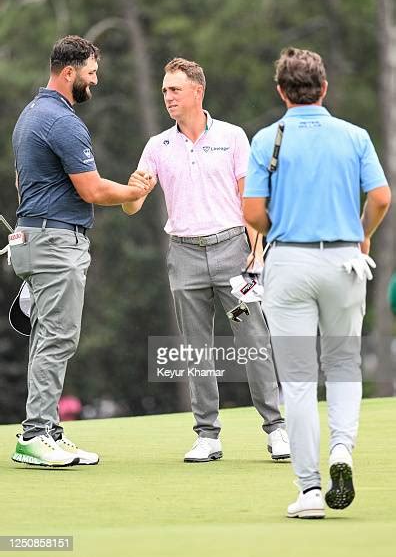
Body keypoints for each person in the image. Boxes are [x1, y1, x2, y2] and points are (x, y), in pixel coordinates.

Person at [243, 47, 391, 518]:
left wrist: (283, 226)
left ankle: (309, 491)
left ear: (281, 92)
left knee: (299, 379)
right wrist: (361, 235)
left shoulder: (268, 138)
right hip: (346, 261)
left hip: (288, 263)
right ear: (323, 88)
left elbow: (251, 213)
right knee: (345, 363)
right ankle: (342, 450)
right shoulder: (354, 135)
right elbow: (382, 197)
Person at [122, 57, 290, 463]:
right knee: (196, 348)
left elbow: (249, 198)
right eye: (164, 90)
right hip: (184, 254)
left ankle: (276, 429)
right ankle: (207, 436)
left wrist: (255, 251)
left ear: (197, 91)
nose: (168, 97)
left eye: (175, 90)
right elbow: (132, 207)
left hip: (233, 251)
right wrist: (133, 191)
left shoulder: (232, 137)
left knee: (252, 341)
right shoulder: (157, 145)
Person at [10, 35, 153, 467]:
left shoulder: (30, 114)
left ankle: (47, 429)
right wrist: (135, 190)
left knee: (45, 337)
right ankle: (36, 435)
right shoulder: (63, 121)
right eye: (91, 73)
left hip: (31, 238)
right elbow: (90, 189)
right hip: (56, 243)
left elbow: (22, 185)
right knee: (58, 338)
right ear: (69, 72)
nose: (95, 81)